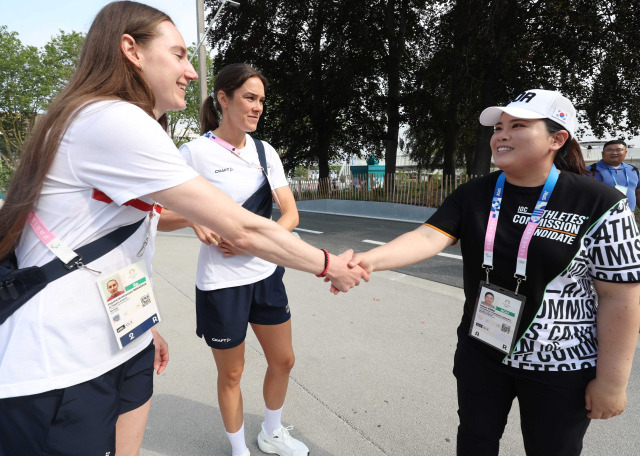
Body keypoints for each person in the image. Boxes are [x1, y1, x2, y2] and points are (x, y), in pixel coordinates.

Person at [0, 3, 366, 456]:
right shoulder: (110, 119)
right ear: (131, 50)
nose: (191, 72)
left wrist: (140, 324)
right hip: (62, 363)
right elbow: (240, 226)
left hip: (119, 340)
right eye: (178, 55)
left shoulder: (126, 123)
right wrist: (328, 263)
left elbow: (132, 238)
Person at [347, 89, 640, 455]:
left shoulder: (600, 203)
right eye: (498, 127)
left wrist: (613, 382)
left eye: (517, 125)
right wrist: (369, 260)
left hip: (560, 364)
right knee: (475, 441)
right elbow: (427, 236)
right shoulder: (475, 193)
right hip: (482, 350)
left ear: (557, 139)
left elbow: (621, 297)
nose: (501, 134)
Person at [158, 63, 308, 456]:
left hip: (266, 276)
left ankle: (271, 434)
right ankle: (239, 450)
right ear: (223, 99)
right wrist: (193, 218)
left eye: (261, 100)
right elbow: (155, 215)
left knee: (284, 360)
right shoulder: (193, 153)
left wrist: (253, 243)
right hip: (221, 285)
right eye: (249, 98)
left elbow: (290, 215)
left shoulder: (265, 151)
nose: (258, 107)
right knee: (233, 373)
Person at [589, 140, 640, 211]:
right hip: (601, 217)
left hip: (629, 217)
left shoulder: (634, 170)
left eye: (619, 150)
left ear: (625, 152)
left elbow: (638, 194)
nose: (614, 153)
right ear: (603, 153)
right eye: (609, 150)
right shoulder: (590, 171)